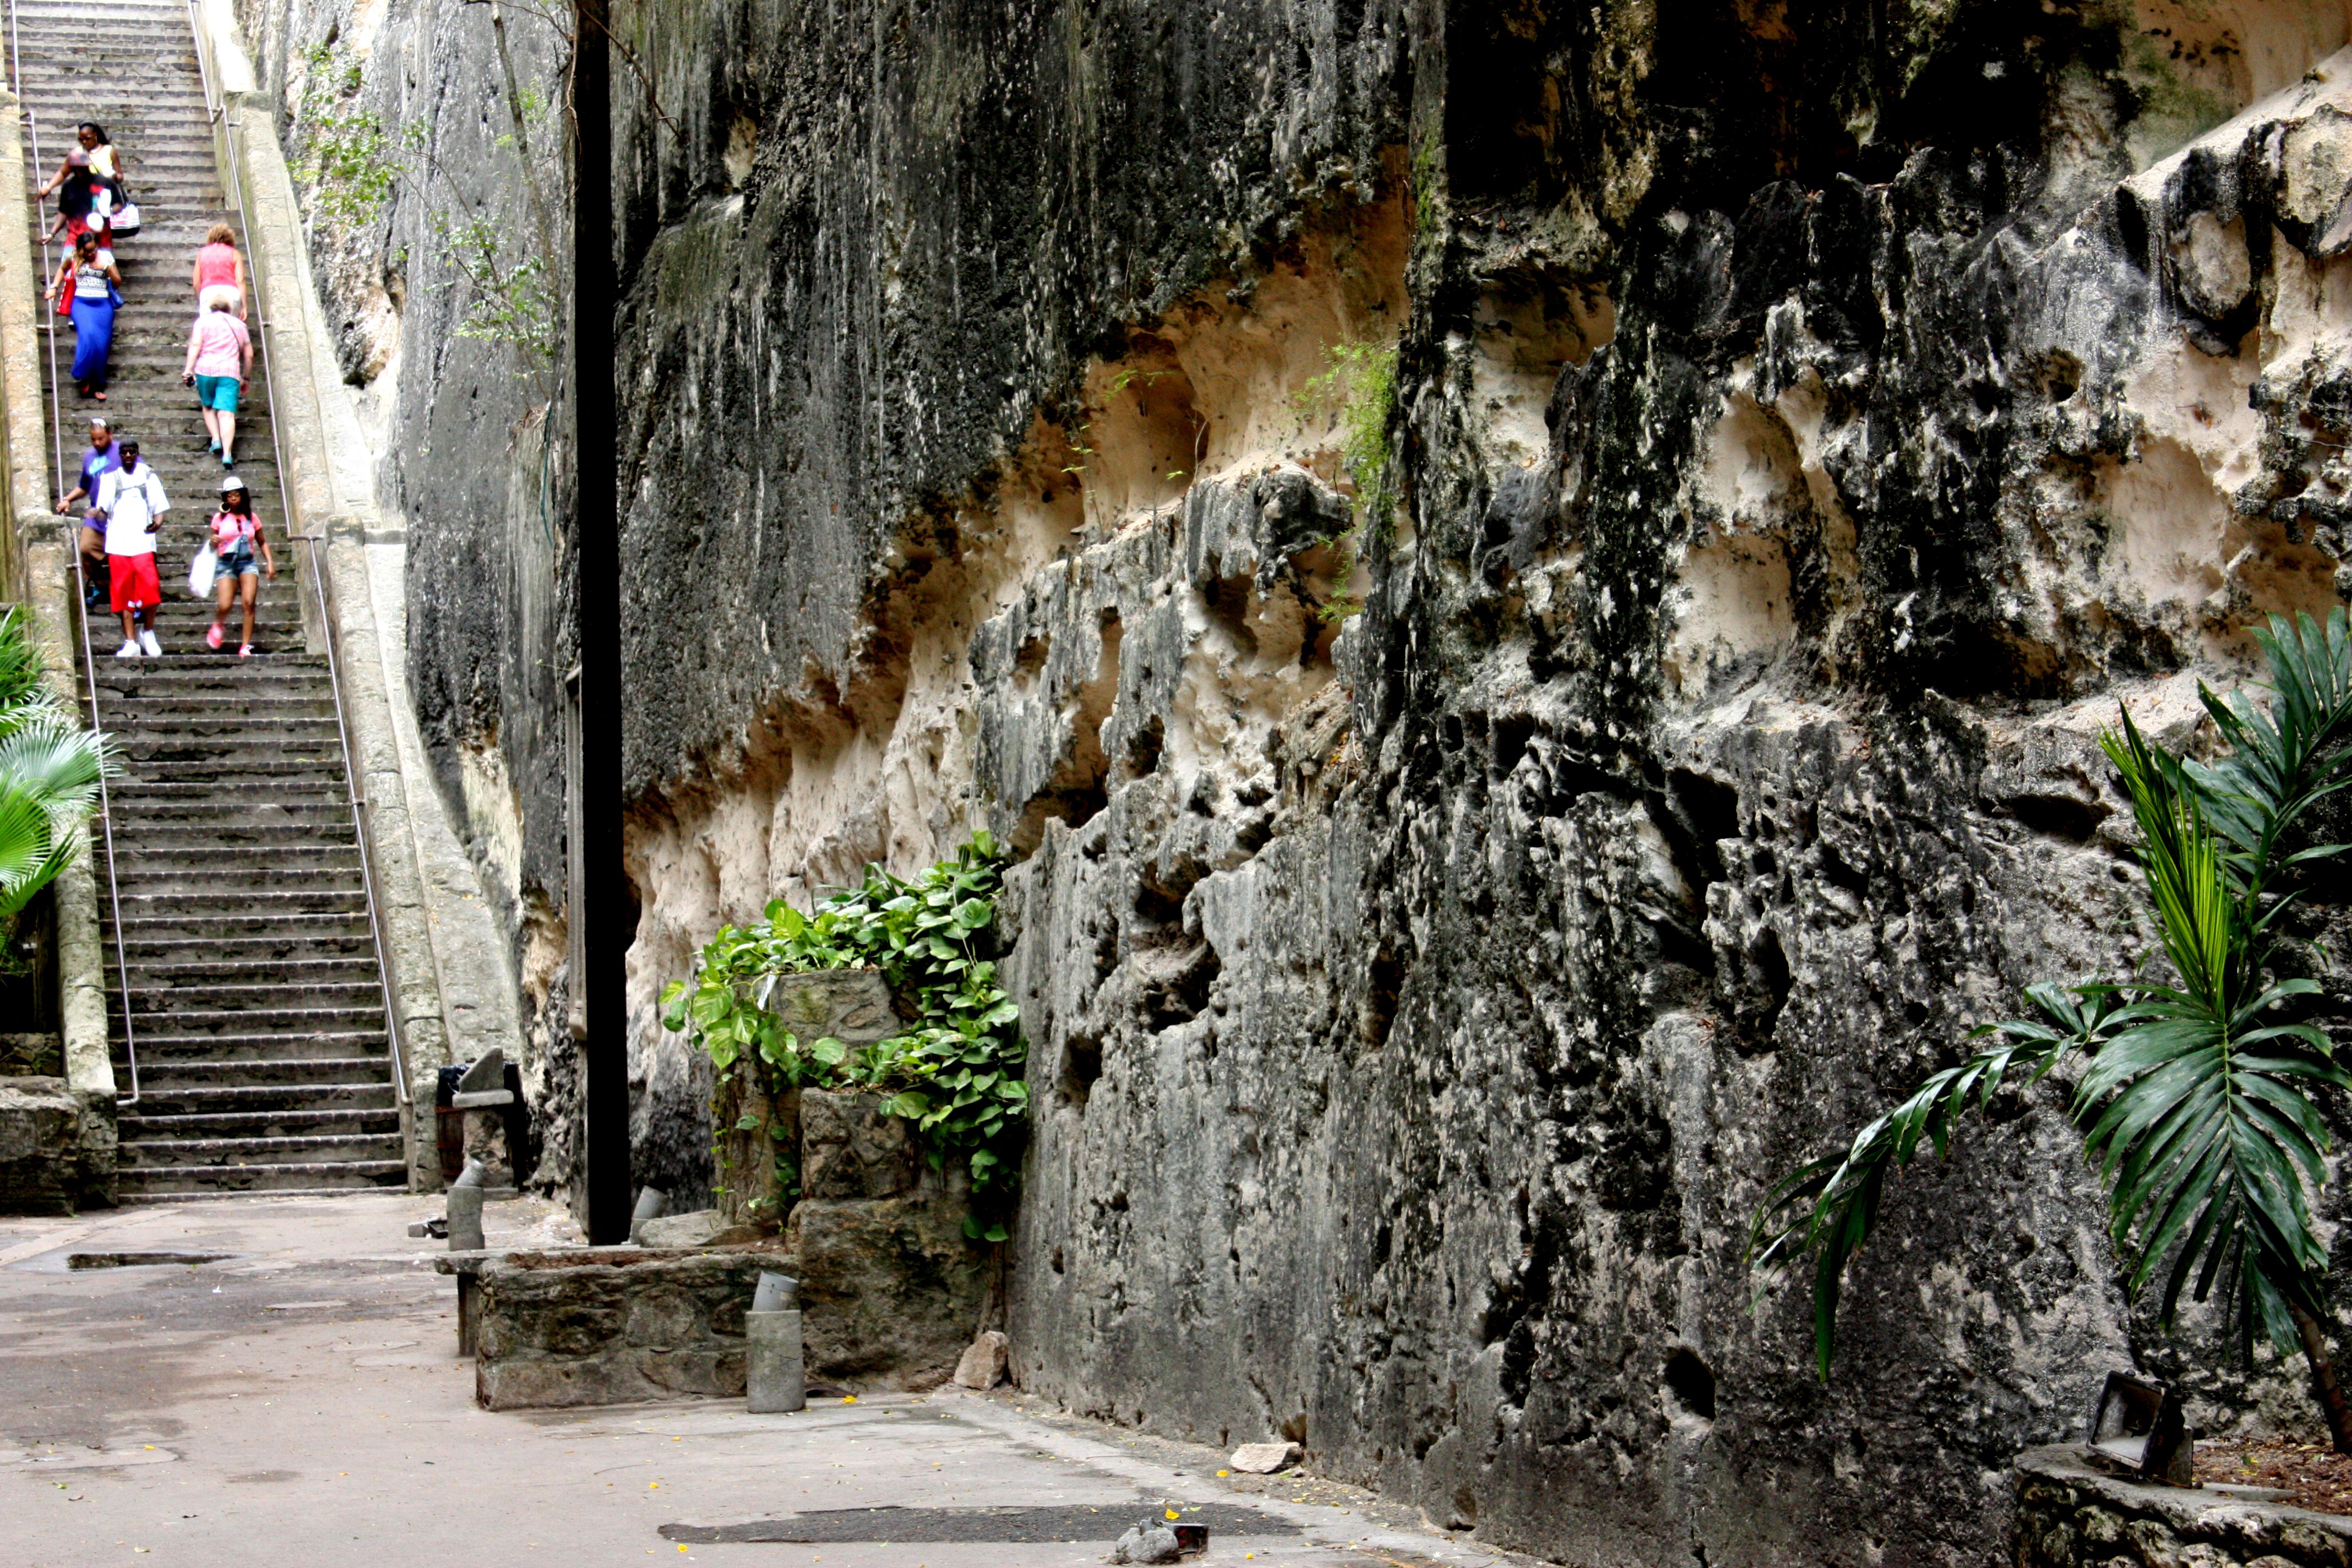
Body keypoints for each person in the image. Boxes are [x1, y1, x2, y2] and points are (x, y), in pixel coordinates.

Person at [90, 439, 167, 658]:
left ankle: (148, 631)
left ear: (138, 453)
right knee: (123, 591)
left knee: (151, 589)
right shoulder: (110, 479)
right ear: (120, 455)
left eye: (132, 452)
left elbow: (159, 508)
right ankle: (130, 640)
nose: (128, 456)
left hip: (142, 543)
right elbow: (104, 511)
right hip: (118, 544)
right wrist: (96, 513)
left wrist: (158, 523)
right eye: (124, 452)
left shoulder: (148, 476)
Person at [45, 230, 119, 400]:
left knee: (102, 345)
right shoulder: (74, 257)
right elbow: (62, 271)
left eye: (94, 250)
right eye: (87, 251)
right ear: (80, 249)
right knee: (88, 337)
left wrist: (106, 269)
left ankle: (97, 385)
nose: (91, 254)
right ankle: (82, 375)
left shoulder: (106, 257)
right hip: (82, 304)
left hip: (103, 306)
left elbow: (117, 282)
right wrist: (54, 287)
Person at [54, 417, 119, 607]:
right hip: (96, 514)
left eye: (101, 439)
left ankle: (123, 590)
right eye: (93, 439)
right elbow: (84, 485)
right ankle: (101, 584)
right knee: (85, 548)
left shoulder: (123, 453)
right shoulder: (90, 456)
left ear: (110, 434)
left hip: (120, 514)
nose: (97, 443)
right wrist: (68, 499)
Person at [204, 477, 272, 657]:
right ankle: (219, 624)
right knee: (225, 604)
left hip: (247, 562)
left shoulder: (252, 517)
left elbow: (262, 541)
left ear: (242, 496)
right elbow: (212, 544)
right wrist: (214, 541)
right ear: (225, 498)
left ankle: (245, 645)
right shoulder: (219, 518)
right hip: (226, 563)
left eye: (237, 495)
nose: (234, 498)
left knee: (249, 603)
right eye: (230, 496)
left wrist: (270, 562)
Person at [181, 297, 252, 466]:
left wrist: (188, 369)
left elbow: (196, 345)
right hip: (230, 372)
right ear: (229, 309)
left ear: (211, 308)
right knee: (227, 414)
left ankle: (216, 440)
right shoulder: (240, 326)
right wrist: (246, 377)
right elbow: (249, 355)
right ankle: (227, 454)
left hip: (206, 370)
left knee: (208, 406)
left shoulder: (203, 322)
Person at [192, 222, 246, 320]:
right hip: (231, 293)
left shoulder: (202, 254)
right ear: (230, 239)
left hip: (208, 292)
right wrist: (244, 306)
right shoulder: (235, 253)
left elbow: (196, 283)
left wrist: (201, 300)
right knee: (231, 325)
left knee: (208, 327)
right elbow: (240, 280)